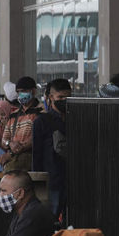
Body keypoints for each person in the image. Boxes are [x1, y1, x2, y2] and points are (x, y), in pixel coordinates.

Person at [32, 78, 71, 220]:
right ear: (50, 97)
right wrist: (37, 181)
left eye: (68, 97)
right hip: (51, 180)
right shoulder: (41, 121)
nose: (64, 100)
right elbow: (36, 154)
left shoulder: (76, 119)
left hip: (73, 180)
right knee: (50, 219)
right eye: (60, 97)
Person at [0, 76, 42, 172]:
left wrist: (13, 152)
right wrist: (9, 143)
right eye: (18, 92)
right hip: (14, 157)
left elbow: (37, 139)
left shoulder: (41, 112)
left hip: (30, 158)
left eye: (23, 91)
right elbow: (4, 140)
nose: (20, 94)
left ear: (33, 91)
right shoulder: (13, 115)